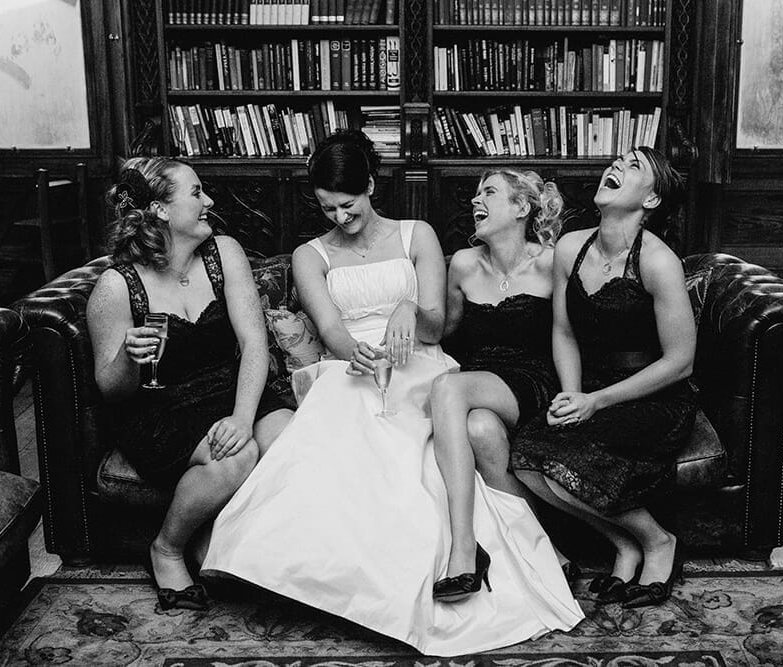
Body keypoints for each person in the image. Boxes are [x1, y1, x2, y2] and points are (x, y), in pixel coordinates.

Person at [201, 130, 582, 656]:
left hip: (420, 366)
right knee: (346, 444)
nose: (339, 216)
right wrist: (354, 351)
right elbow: (331, 329)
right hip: (350, 371)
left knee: (422, 458)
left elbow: (434, 326)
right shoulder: (310, 255)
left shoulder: (416, 235)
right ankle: (319, 580)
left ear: (371, 187)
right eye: (328, 207)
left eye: (348, 203)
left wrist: (407, 311)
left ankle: (463, 559)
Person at [87, 158, 294, 611]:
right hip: (163, 406)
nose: (210, 201)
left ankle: (229, 546)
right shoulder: (117, 287)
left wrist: (243, 416)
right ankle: (168, 548)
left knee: (291, 442)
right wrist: (128, 357)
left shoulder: (225, 253)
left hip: (232, 387)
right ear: (160, 210)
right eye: (197, 193)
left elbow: (254, 344)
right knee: (234, 460)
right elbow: (111, 389)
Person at [511, 146, 697, 609]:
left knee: (563, 460)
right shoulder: (570, 248)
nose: (615, 166)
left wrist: (598, 403)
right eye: (618, 160)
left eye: (633, 167)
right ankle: (623, 543)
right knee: (525, 460)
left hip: (654, 397)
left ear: (651, 201)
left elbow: (680, 362)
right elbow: (562, 329)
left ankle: (657, 542)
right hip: (589, 388)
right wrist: (573, 393)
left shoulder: (659, 262)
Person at [430, 169, 563, 602]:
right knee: (479, 430)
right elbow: (441, 331)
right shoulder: (463, 264)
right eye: (474, 194)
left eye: (488, 192)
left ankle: (464, 545)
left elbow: (570, 334)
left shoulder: (551, 260)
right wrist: (405, 310)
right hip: (480, 381)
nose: (475, 201)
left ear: (522, 208)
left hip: (532, 379)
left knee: (447, 390)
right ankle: (550, 549)